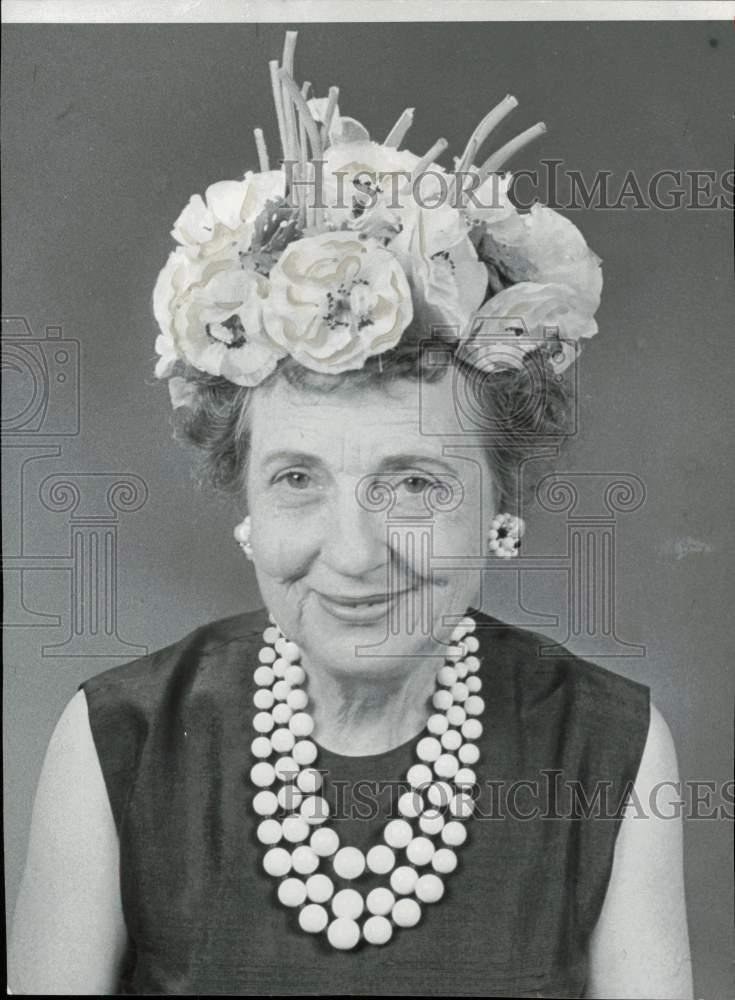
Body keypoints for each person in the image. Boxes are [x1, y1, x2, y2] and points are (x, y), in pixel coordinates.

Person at [8, 31, 693, 998]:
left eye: (413, 483)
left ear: (499, 499)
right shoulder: (117, 742)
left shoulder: (605, 746)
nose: (353, 554)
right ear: (242, 499)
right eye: (297, 479)